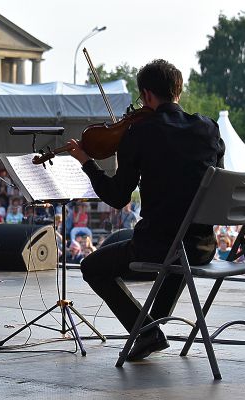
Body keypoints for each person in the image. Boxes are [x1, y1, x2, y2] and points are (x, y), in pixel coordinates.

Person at [66, 59, 224, 362]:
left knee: (92, 267)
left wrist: (87, 162)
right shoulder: (208, 128)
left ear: (147, 96)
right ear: (178, 91)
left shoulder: (139, 133)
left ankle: (146, 331)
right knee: (178, 247)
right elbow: (216, 185)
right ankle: (151, 328)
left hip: (160, 248)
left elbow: (116, 196)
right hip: (202, 247)